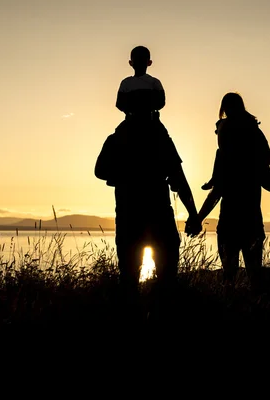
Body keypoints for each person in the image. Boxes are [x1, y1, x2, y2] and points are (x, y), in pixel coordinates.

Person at [95, 49, 201, 318]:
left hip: (128, 217)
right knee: (166, 282)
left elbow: (100, 171)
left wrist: (118, 178)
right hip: (158, 217)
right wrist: (193, 213)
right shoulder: (158, 136)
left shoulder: (118, 136)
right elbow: (178, 176)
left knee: (128, 281)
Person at [195, 92, 270, 288]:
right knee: (255, 279)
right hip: (252, 221)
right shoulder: (255, 136)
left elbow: (217, 192)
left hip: (230, 222)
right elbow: (269, 183)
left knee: (229, 280)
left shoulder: (227, 144)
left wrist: (198, 218)